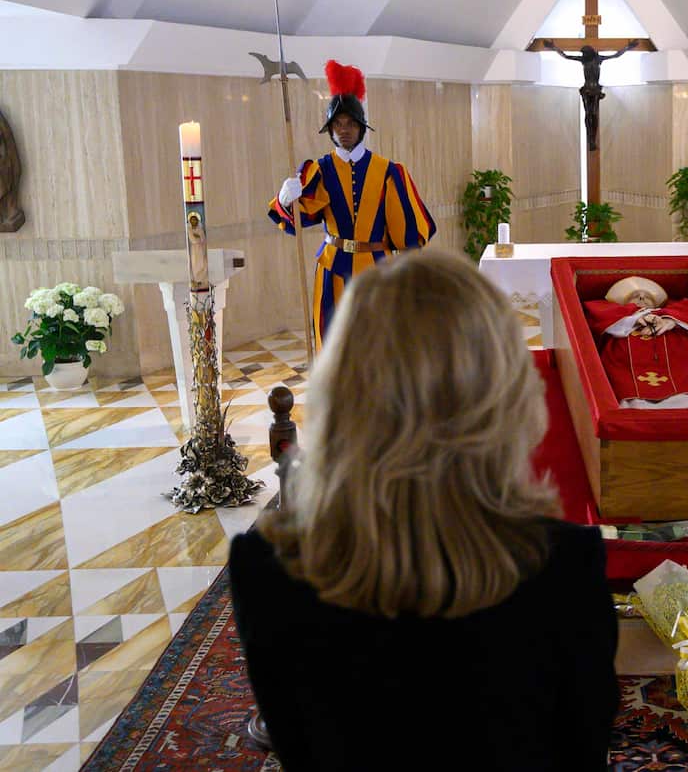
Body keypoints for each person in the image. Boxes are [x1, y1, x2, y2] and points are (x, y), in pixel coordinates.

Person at [228, 249, 619, 771]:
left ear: (342, 388)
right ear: (502, 392)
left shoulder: (264, 568)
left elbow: (300, 743)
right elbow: (581, 753)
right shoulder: (567, 566)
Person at [267, 59, 436, 349]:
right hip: (332, 267)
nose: (344, 130)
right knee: (334, 341)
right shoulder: (318, 171)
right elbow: (297, 221)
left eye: (350, 124)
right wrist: (286, 200)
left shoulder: (389, 172)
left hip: (377, 270)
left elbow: (409, 235)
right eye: (338, 124)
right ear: (330, 129)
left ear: (361, 128)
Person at [583, 276, 688, 408]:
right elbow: (596, 318)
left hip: (674, 359)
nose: (642, 298)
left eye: (647, 296)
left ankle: (684, 401)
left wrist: (670, 320)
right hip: (626, 361)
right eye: (635, 295)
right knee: (621, 377)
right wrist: (634, 319)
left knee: (685, 368)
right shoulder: (618, 315)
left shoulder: (671, 312)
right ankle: (632, 404)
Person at [543, 39, 639, 151]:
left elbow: (616, 55)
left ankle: (593, 138)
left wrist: (628, 47)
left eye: (584, 53)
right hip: (587, 90)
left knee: (593, 113)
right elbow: (566, 56)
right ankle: (590, 139)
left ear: (589, 52)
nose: (583, 55)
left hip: (595, 90)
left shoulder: (598, 59)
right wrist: (553, 47)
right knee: (589, 113)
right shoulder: (584, 60)